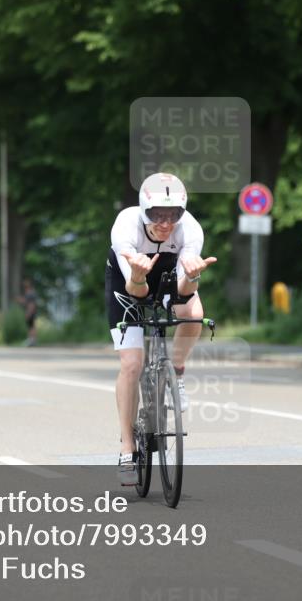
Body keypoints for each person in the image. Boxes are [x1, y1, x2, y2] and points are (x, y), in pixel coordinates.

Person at [107, 172, 216, 485]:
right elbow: (137, 292)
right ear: (144, 211)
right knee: (132, 364)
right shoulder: (125, 226)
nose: (166, 223)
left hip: (169, 277)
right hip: (129, 282)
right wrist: (138, 274)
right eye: (157, 215)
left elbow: (182, 292)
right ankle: (127, 448)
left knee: (194, 313)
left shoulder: (190, 230)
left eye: (173, 215)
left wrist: (192, 276)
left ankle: (176, 372)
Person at [19, 278, 38, 346]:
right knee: (31, 326)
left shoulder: (30, 293)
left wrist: (28, 313)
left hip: (30, 312)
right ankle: (32, 340)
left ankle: (32, 340)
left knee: (31, 326)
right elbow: (26, 302)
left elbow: (31, 304)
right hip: (31, 311)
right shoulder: (31, 293)